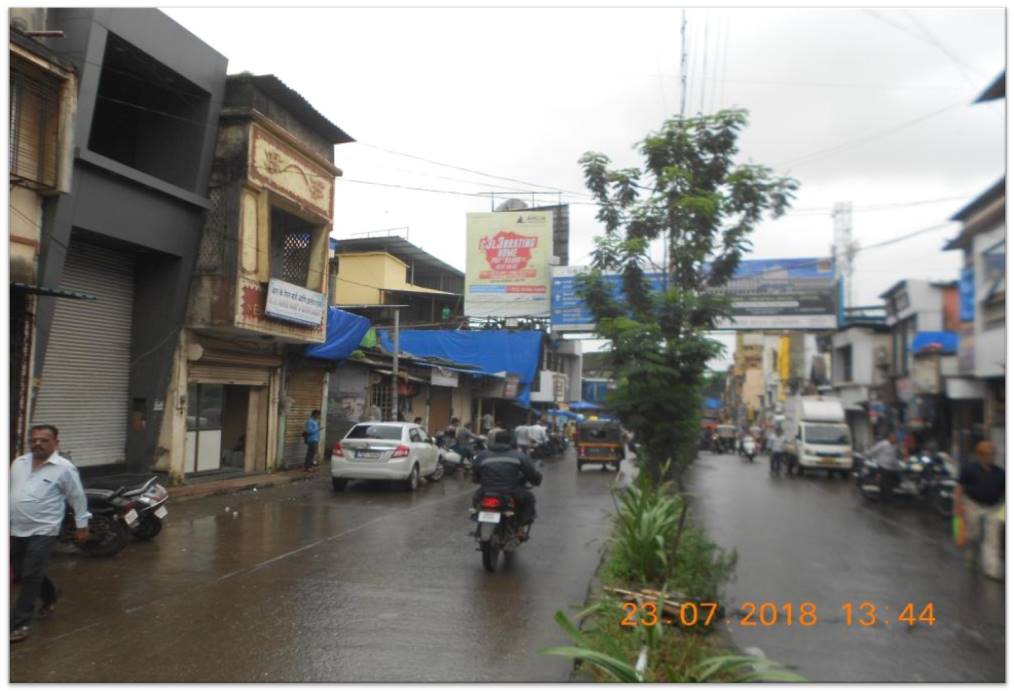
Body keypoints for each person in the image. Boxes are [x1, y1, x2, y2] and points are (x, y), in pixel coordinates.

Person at [10, 424, 90, 643]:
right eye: (34, 440)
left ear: (56, 442)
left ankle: (20, 623)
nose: (38, 444)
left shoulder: (64, 468)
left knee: (30, 574)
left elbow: (77, 496)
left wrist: (82, 524)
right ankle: (51, 594)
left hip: (45, 529)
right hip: (16, 527)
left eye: (44, 440)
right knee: (20, 570)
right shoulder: (19, 463)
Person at [472, 429, 543, 537]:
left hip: (485, 491)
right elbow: (531, 473)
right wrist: (536, 480)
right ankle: (520, 527)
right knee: (529, 499)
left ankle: (478, 522)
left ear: (494, 441)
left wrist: (477, 480)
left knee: (476, 501)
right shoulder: (519, 456)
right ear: (510, 442)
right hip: (510, 491)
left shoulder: (482, 455)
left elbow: (475, 471)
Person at [955, 441, 1005, 580]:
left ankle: (992, 569)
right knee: (973, 534)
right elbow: (960, 487)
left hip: (993, 508)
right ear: (981, 456)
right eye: (989, 455)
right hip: (973, 504)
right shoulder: (969, 469)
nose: (992, 457)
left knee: (993, 538)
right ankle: (971, 554)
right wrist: (958, 505)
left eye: (993, 455)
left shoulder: (1000, 473)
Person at [865, 431, 902, 500]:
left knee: (891, 483)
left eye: (895, 438)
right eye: (893, 438)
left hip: (891, 468)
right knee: (885, 484)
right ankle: (884, 499)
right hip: (883, 466)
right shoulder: (883, 444)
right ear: (890, 438)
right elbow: (873, 450)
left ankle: (888, 497)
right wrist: (867, 455)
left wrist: (898, 466)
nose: (895, 439)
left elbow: (895, 456)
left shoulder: (895, 446)